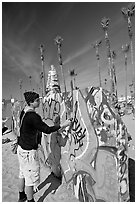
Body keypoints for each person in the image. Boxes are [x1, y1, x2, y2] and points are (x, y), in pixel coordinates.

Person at [17, 91, 71, 202]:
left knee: (22, 173)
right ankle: (30, 200)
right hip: (28, 153)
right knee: (30, 180)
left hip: (21, 149)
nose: (40, 102)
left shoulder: (24, 112)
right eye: (37, 100)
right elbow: (47, 129)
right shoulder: (33, 116)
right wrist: (64, 125)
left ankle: (22, 196)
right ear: (31, 102)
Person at [46, 115, 69, 180]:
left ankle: (55, 173)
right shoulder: (57, 134)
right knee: (56, 163)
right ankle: (57, 175)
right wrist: (66, 137)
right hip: (56, 150)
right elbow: (62, 143)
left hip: (53, 149)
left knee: (54, 162)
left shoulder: (54, 132)